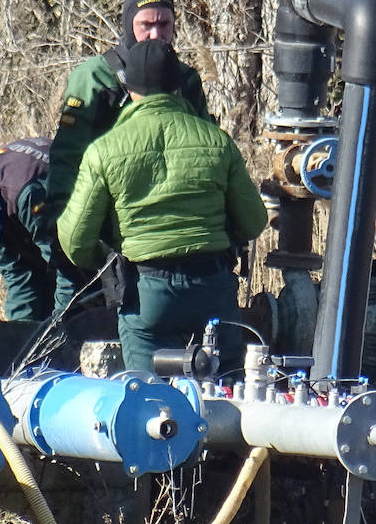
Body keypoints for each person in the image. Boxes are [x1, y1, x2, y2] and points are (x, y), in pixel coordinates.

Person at [57, 40, 267, 373]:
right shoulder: (217, 141)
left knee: (152, 407)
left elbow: (75, 242)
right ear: (178, 86)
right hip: (212, 288)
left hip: (146, 291)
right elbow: (255, 221)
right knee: (227, 396)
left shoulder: (104, 150)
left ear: (128, 88)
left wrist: (108, 260)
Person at [46, 0, 212, 220]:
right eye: (146, 24)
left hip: (179, 214)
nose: (156, 34)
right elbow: (67, 156)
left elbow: (209, 152)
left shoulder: (187, 79)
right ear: (128, 24)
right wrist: (60, 220)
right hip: (110, 215)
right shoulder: (94, 78)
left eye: (165, 24)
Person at [0, 136, 74, 322]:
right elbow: (18, 273)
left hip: (84, 218)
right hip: (16, 202)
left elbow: (66, 268)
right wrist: (21, 339)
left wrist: (57, 328)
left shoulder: (29, 196)